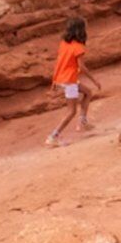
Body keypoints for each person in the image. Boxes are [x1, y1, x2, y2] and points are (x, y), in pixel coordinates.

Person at [43, 16, 101, 147]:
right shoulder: (78, 47)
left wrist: (54, 80)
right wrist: (95, 80)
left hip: (63, 78)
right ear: (81, 30)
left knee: (88, 92)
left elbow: (59, 63)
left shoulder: (64, 43)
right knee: (71, 111)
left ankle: (83, 122)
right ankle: (53, 136)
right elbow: (82, 67)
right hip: (69, 80)